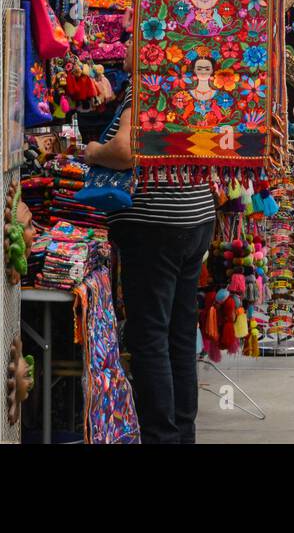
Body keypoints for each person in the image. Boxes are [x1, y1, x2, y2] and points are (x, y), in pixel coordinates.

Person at [86, 29, 217, 444]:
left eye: (129, 41)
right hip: (195, 218)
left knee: (150, 336)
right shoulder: (189, 88)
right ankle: (183, 432)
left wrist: (90, 152)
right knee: (179, 334)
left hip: (154, 224)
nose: (121, 49)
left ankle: (161, 435)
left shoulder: (143, 89)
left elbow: (125, 150)